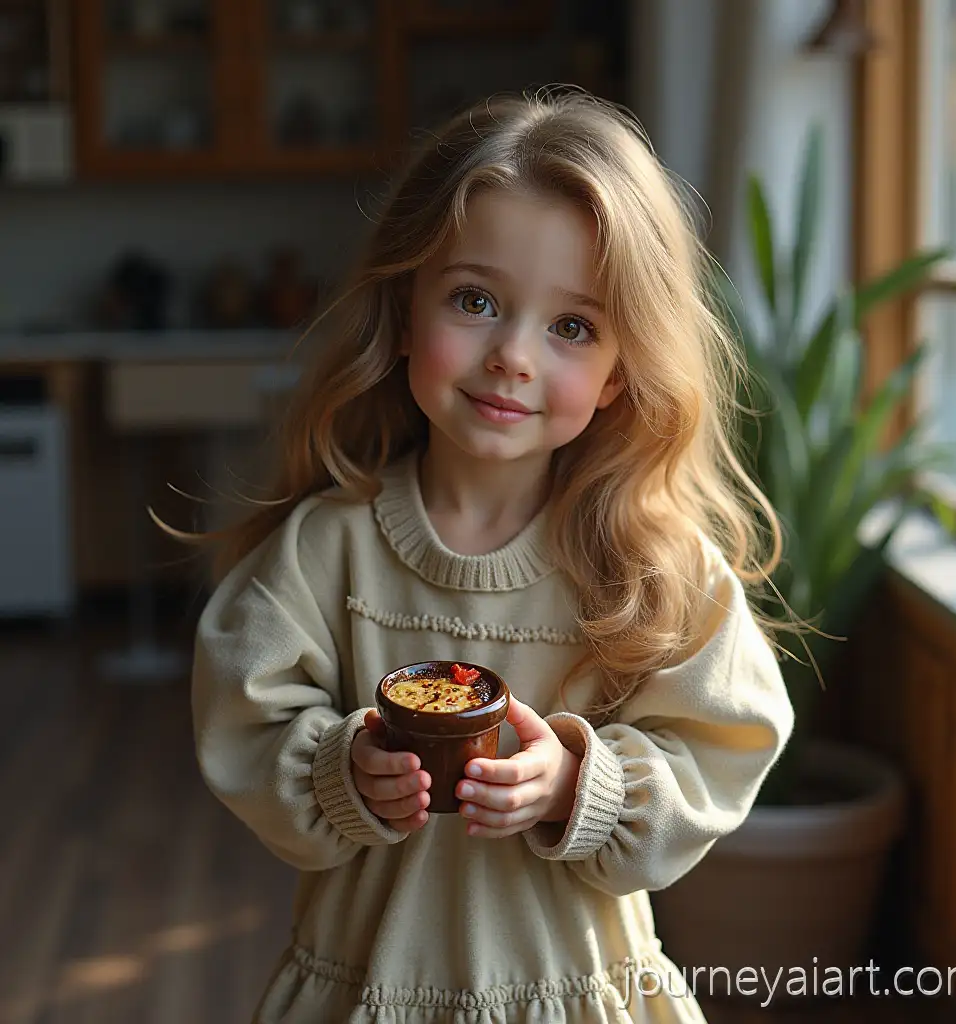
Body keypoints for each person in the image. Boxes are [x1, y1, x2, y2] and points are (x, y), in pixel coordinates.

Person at [188, 89, 796, 1023]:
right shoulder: (325, 548)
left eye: (572, 327)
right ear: (402, 309)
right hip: (365, 993)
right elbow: (246, 717)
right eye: (476, 301)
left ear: (620, 373)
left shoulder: (648, 566)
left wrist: (580, 787)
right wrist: (338, 772)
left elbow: (728, 740)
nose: (514, 355)